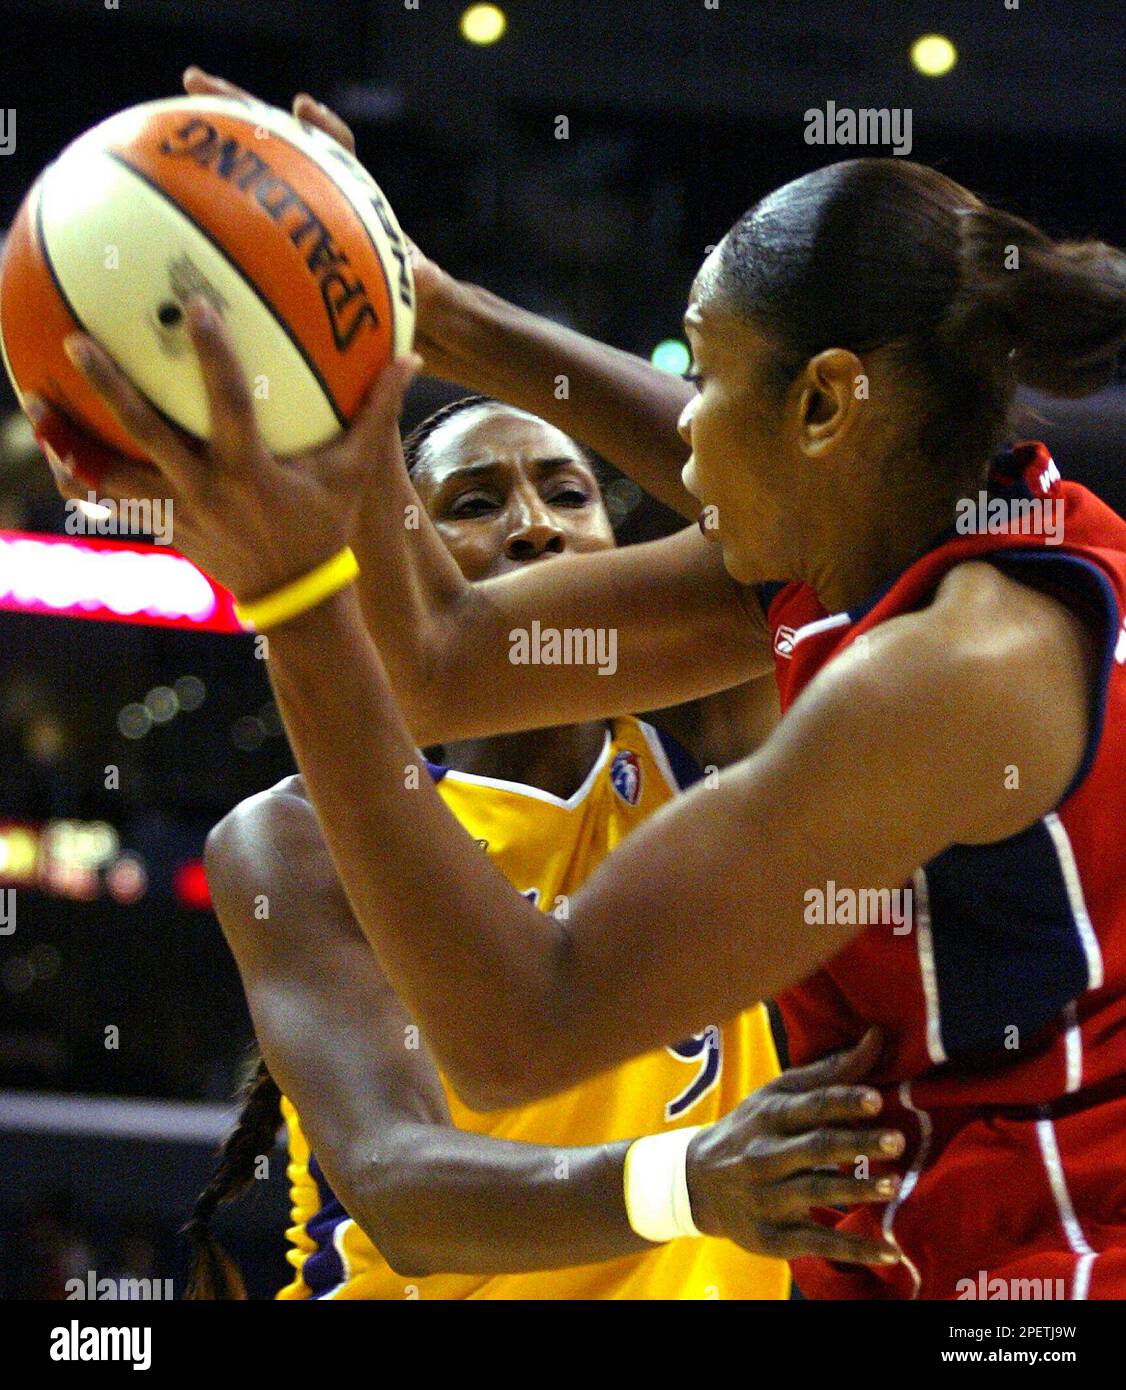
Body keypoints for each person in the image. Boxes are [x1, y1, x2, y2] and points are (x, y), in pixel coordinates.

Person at [34, 73, 1126, 1299]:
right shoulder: (886, 546)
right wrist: (417, 312)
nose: (680, 443)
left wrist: (293, 591)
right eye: (475, 499)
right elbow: (435, 666)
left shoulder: (944, 674)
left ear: (823, 403)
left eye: (699, 378)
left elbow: (518, 1030)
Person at [187, 396, 901, 1300]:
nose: (535, 528)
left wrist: (456, 321)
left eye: (569, 494)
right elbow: (398, 1191)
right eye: (475, 504)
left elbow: (810, 506)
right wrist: (688, 1182)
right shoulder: (297, 836)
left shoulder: (712, 736)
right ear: (396, 566)